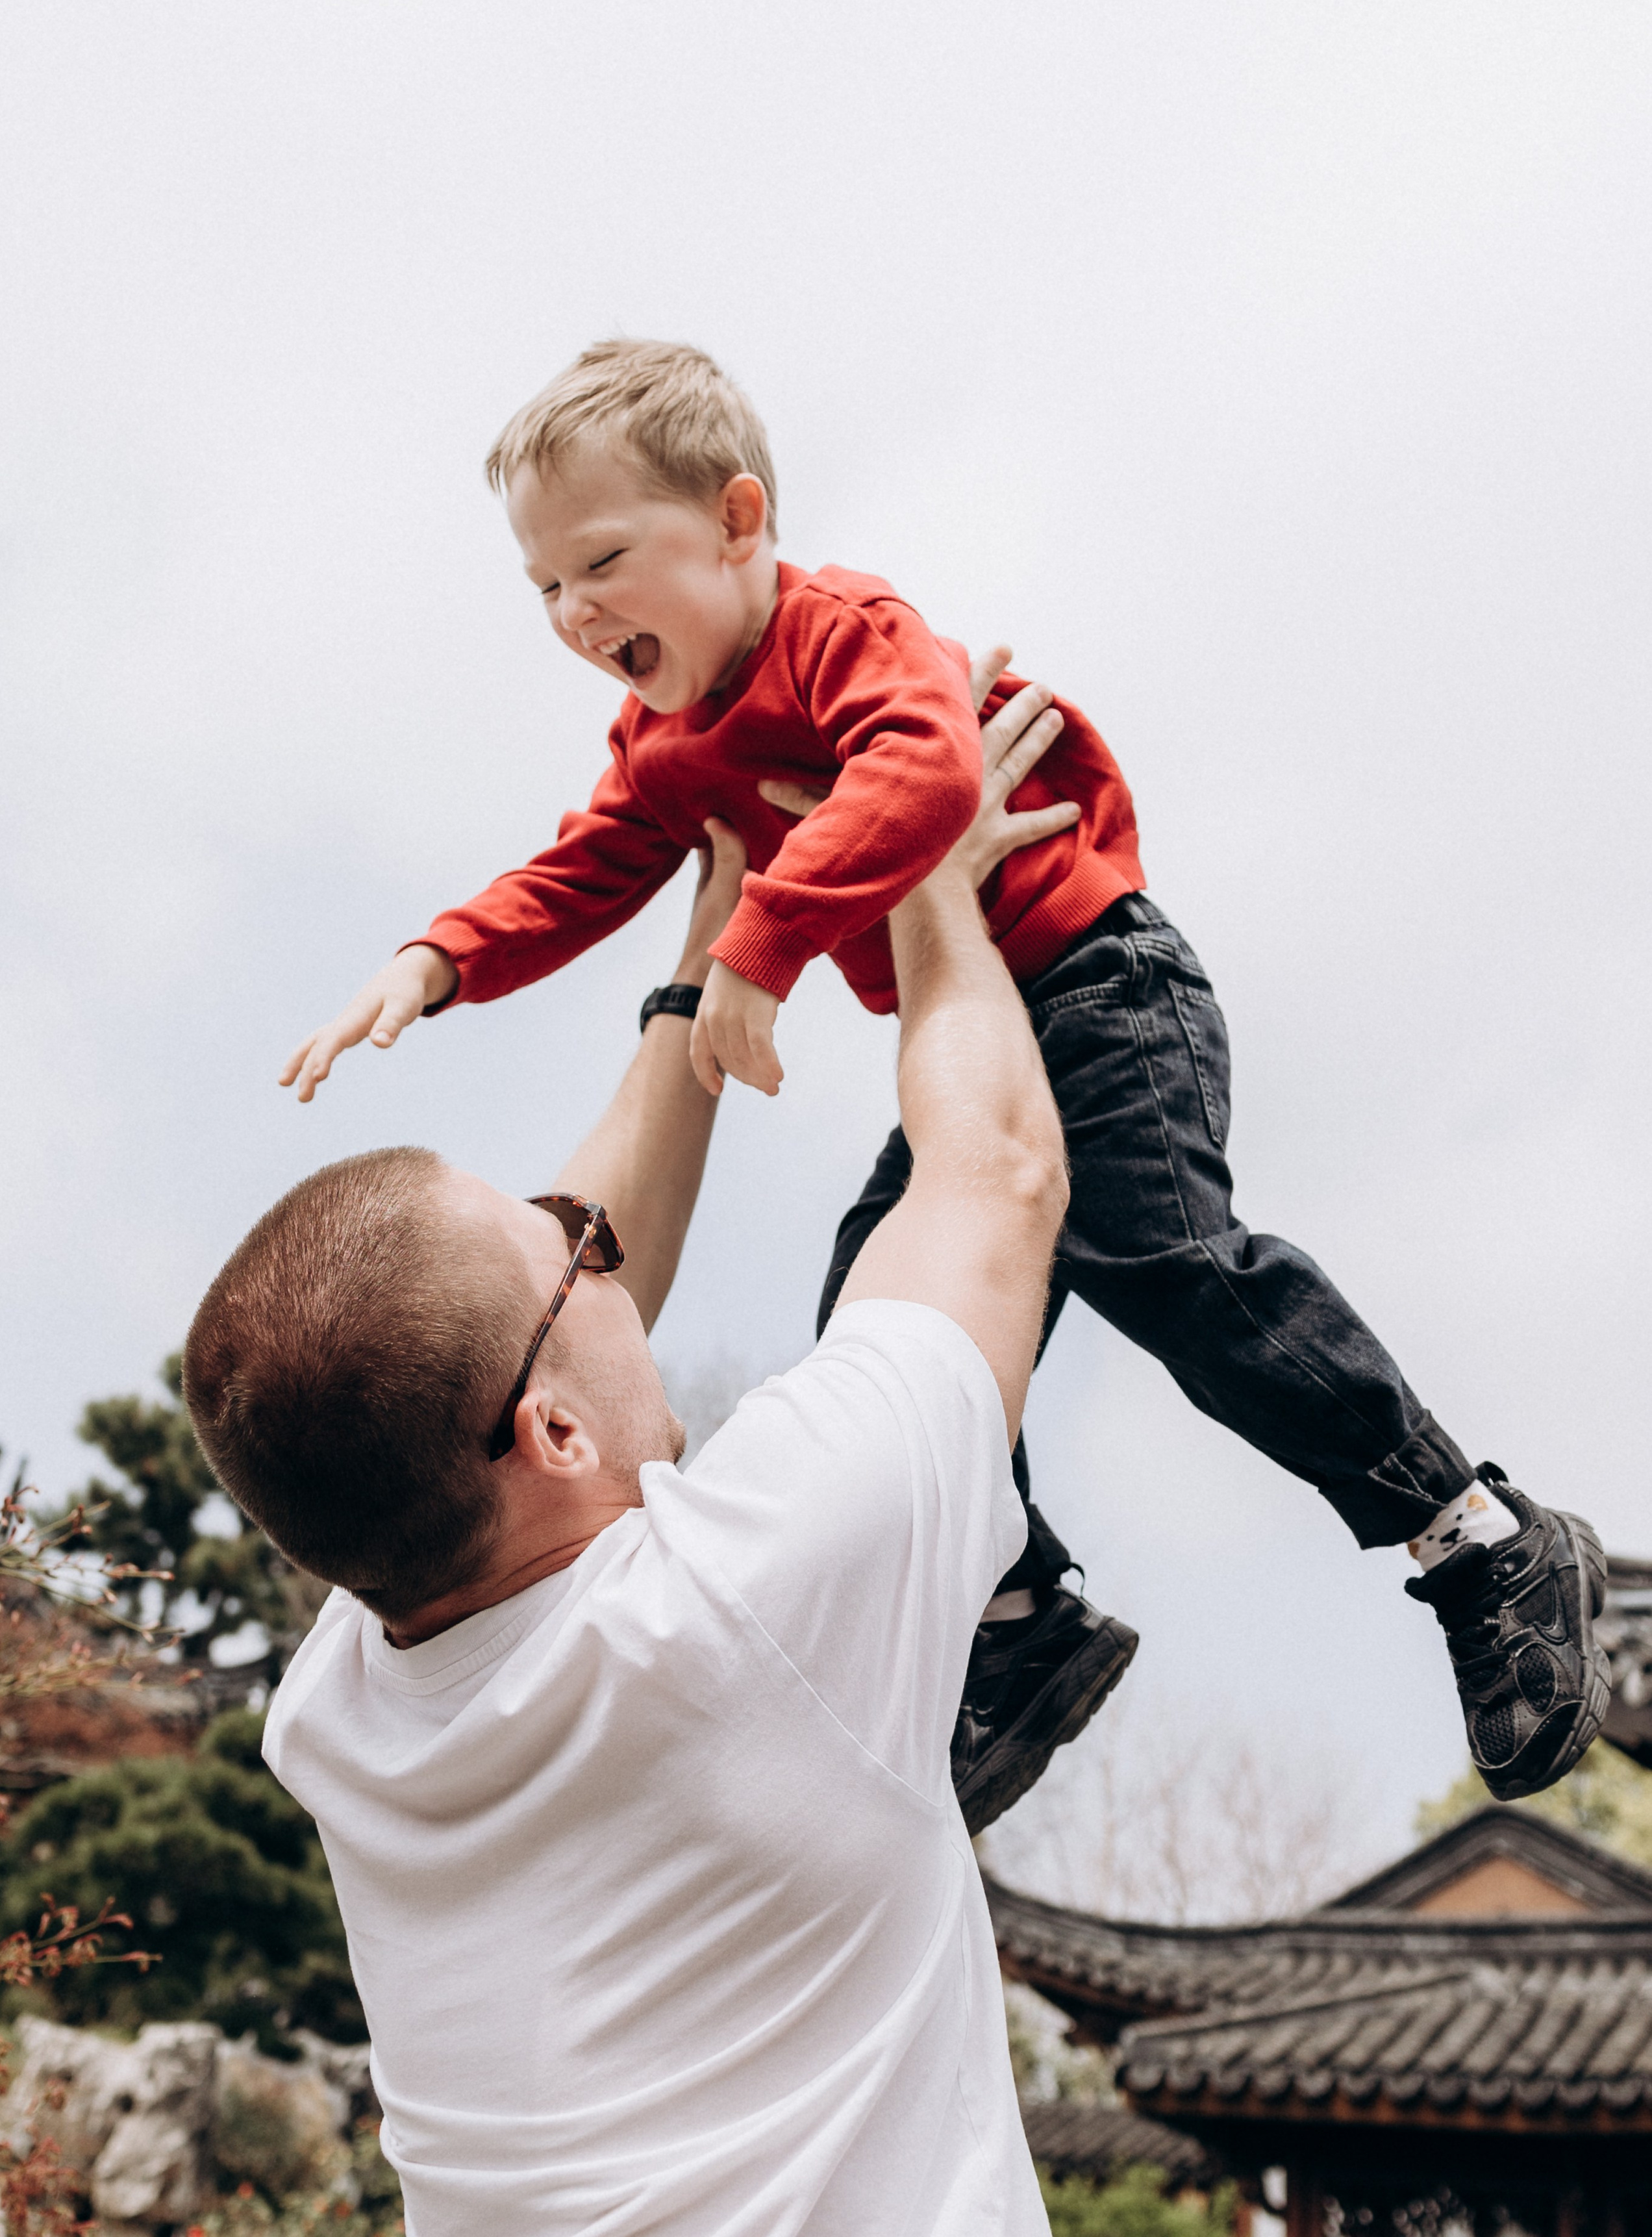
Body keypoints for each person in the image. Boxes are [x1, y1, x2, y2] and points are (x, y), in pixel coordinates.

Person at [278, 338, 1607, 1823]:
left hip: (1096, 980)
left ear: (735, 521)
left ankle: (1476, 1536)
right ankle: (1020, 1614)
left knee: (1158, 1256)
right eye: (542, 588)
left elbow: (925, 780)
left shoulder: (845, 631)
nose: (575, 613)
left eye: (601, 561)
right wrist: (437, 958)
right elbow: (585, 867)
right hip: (968, 1031)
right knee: (880, 1313)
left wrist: (761, 945)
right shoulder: (661, 745)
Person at [188, 690, 1077, 2235]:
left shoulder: (346, 1703)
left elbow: (487, 1342)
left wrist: (709, 938)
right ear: (551, 1433)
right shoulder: (754, 1590)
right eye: (571, 1256)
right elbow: (995, 1177)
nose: (593, 1246)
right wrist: (924, 865)